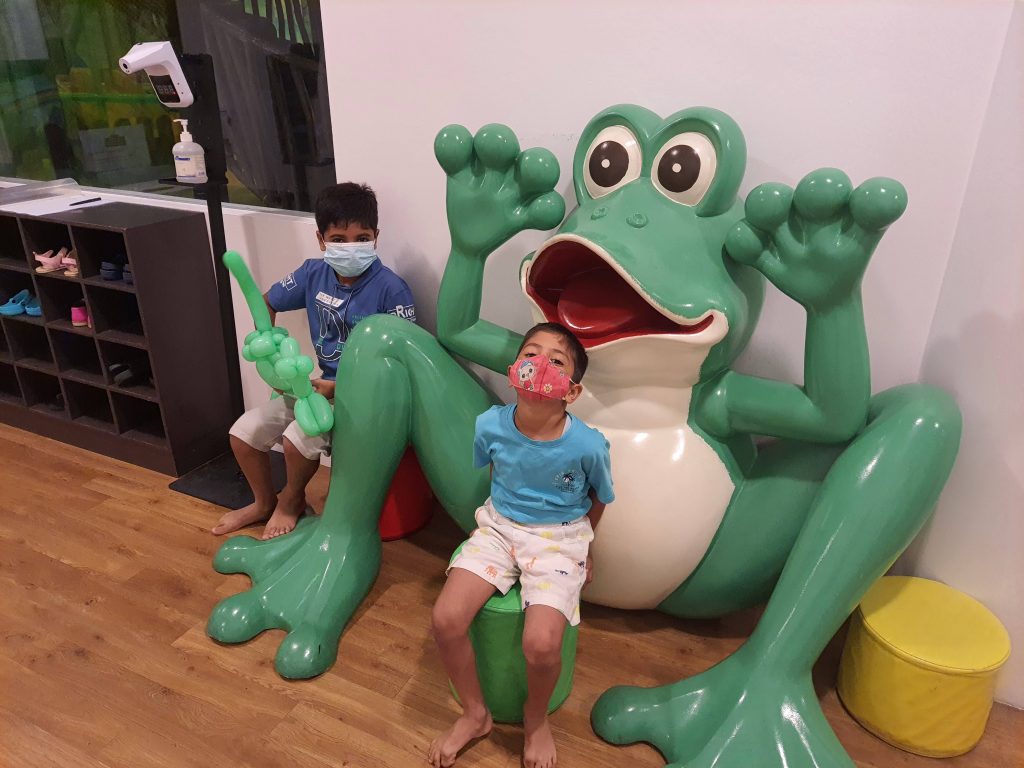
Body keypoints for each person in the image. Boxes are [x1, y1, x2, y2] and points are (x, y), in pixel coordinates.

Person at [428, 322, 614, 768]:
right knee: (446, 618)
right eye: (530, 354)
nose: (539, 364)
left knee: (542, 644)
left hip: (560, 539)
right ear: (514, 369)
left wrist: (585, 549)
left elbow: (600, 498)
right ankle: (475, 714)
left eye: (556, 360)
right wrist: (496, 528)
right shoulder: (490, 425)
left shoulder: (588, 445)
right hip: (499, 527)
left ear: (572, 391)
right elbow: (498, 473)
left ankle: (536, 718)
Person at [213, 182, 416, 539]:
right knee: (243, 434)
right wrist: (271, 358)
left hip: (363, 399)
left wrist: (337, 388)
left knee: (296, 440)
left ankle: (291, 500)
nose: (350, 247)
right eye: (338, 239)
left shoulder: (392, 289)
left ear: (376, 237)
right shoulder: (312, 273)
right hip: (311, 389)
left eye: (361, 238)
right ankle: (262, 503)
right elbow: (267, 301)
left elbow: (403, 362)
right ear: (321, 240)